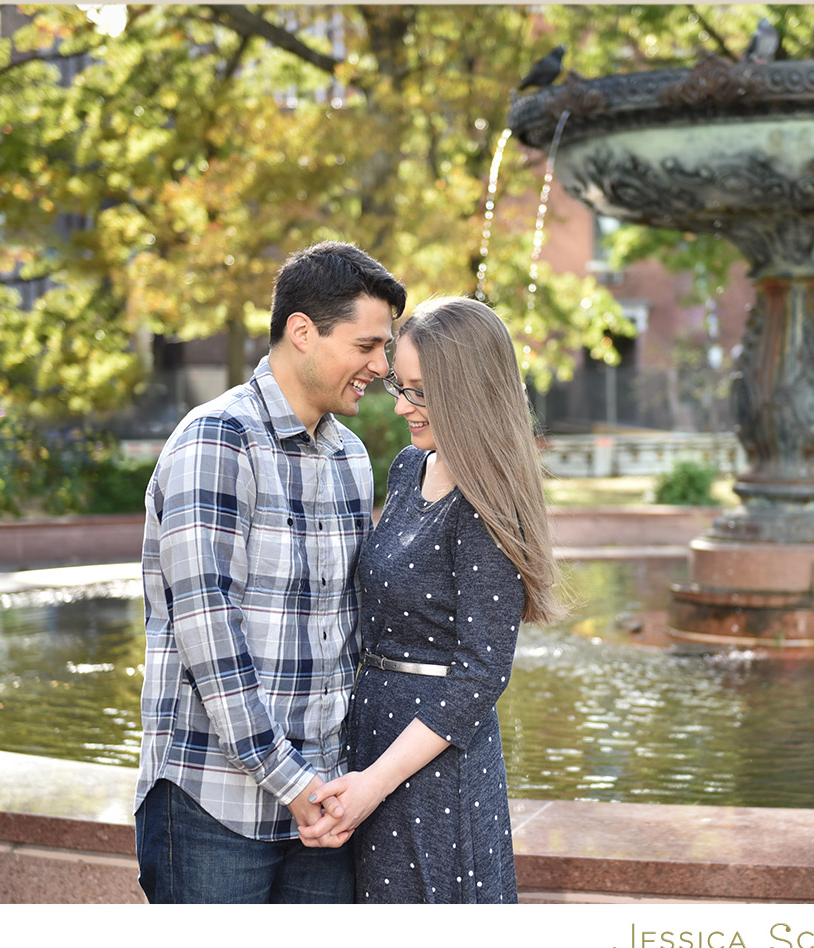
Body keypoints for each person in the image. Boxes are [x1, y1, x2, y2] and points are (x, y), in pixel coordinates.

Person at [133, 241, 406, 903]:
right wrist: (292, 781)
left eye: (386, 347)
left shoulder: (351, 458)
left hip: (323, 811)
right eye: (367, 345)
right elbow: (211, 640)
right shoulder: (216, 440)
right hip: (213, 807)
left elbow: (347, 634)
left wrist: (340, 784)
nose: (382, 366)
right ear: (303, 331)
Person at [301, 296, 561, 903]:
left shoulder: (484, 500)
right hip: (370, 742)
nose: (399, 405)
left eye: (418, 391)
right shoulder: (408, 468)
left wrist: (373, 784)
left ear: (465, 390)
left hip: (430, 769)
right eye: (400, 384)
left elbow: (480, 677)